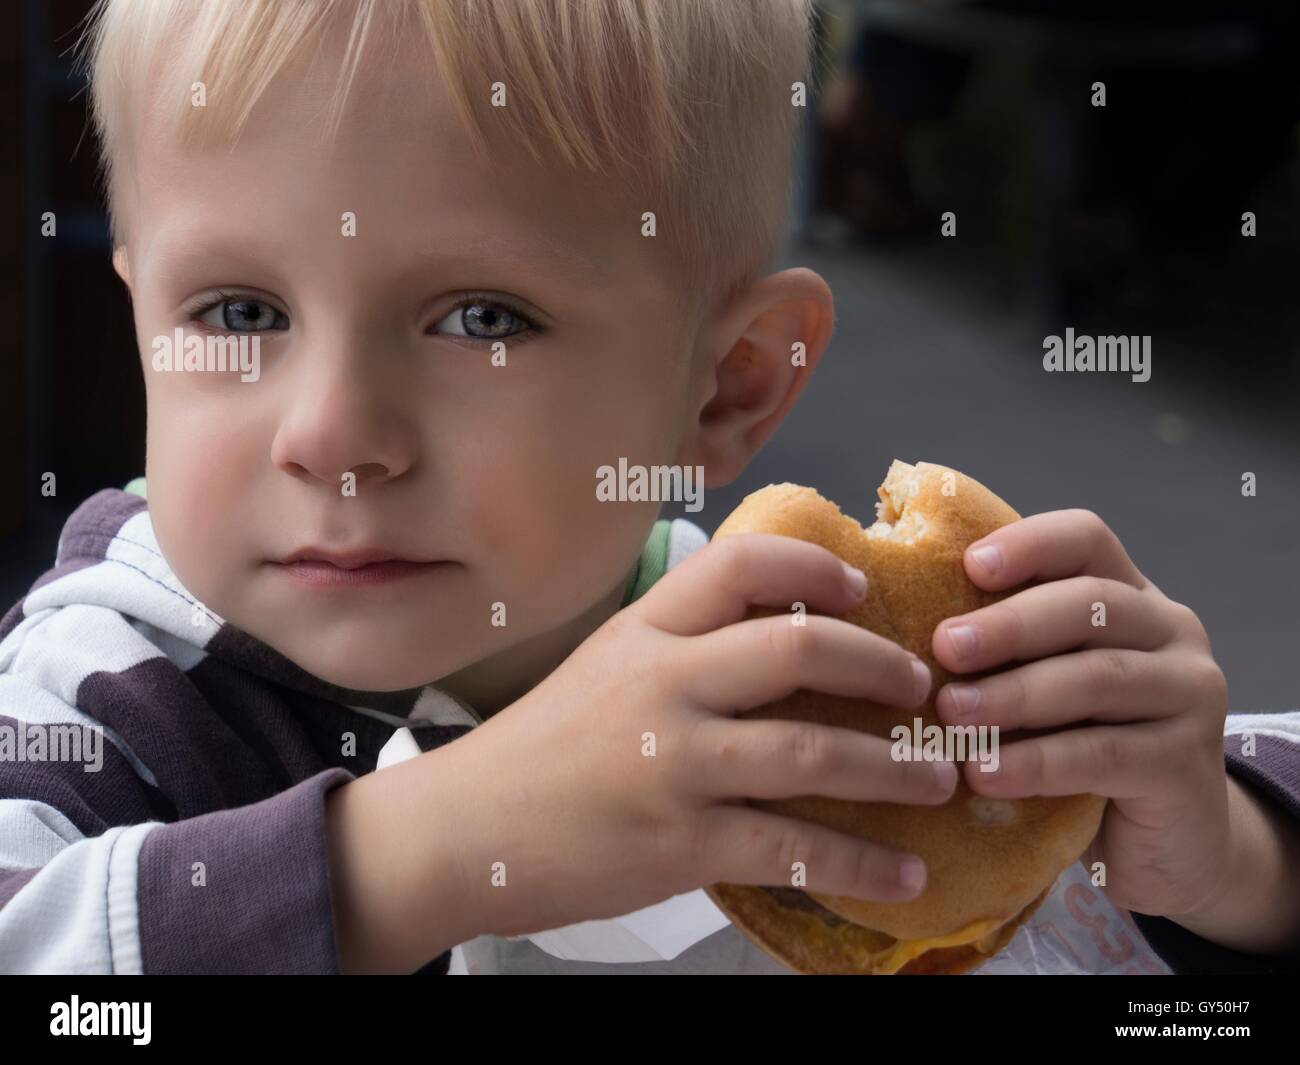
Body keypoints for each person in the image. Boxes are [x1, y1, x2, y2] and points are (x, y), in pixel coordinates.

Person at [0, 0, 1296, 974]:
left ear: (729, 385)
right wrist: (432, 848)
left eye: (480, 317)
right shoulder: (104, 693)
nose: (334, 433)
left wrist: (1225, 852)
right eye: (238, 308)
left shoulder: (815, 669)